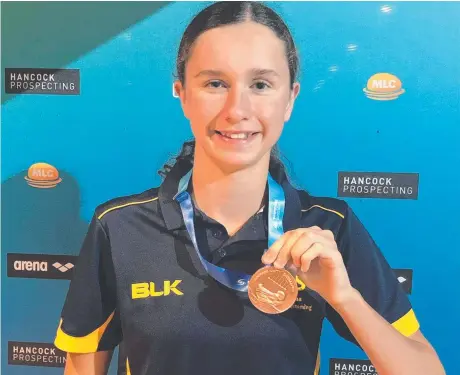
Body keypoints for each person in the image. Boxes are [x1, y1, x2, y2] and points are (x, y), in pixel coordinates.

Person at [54, 2, 445, 375]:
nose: (236, 109)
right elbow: (83, 365)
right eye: (214, 83)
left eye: (260, 84)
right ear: (182, 94)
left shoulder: (327, 228)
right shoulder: (119, 227)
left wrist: (344, 298)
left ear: (290, 99)